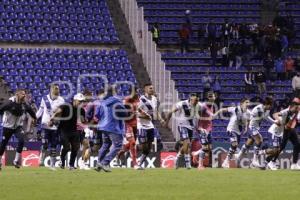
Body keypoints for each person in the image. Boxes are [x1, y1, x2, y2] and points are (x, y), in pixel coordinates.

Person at [236, 96, 278, 169]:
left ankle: (238, 155)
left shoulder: (266, 109)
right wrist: (275, 122)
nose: (271, 107)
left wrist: (274, 122)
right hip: (252, 126)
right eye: (271, 105)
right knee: (260, 140)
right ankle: (254, 160)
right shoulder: (259, 109)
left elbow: (267, 117)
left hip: (256, 127)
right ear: (267, 104)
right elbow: (264, 117)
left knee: (249, 143)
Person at [0, 89, 37, 170]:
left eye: (25, 94)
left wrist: (35, 118)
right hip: (7, 127)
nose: (24, 96)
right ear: (17, 94)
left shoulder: (24, 105)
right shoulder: (9, 103)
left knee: (21, 140)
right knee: (3, 144)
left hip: (17, 127)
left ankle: (16, 161)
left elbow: (31, 111)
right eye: (22, 94)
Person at [95, 86, 128, 172]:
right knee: (118, 145)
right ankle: (104, 163)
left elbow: (97, 114)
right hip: (113, 126)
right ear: (114, 92)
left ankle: (99, 163)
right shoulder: (116, 100)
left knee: (106, 144)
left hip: (102, 126)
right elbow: (124, 113)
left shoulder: (101, 102)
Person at [50, 93, 86, 170]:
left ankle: (71, 165)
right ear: (75, 100)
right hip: (63, 130)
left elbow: (83, 120)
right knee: (66, 147)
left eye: (82, 101)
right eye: (80, 101)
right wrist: (52, 119)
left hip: (74, 130)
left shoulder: (81, 109)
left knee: (75, 148)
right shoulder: (66, 106)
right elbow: (58, 112)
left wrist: (84, 120)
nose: (81, 103)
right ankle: (62, 161)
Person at [164, 93, 199, 169]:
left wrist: (197, 128)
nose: (196, 102)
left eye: (197, 100)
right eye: (195, 100)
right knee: (186, 142)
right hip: (182, 125)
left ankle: (177, 158)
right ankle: (188, 164)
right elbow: (171, 111)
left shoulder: (197, 106)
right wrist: (166, 123)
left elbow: (196, 118)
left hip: (190, 127)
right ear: (190, 99)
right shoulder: (182, 104)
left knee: (187, 145)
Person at [213, 98, 251, 168]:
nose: (248, 104)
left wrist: (246, 127)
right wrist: (215, 114)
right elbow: (222, 109)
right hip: (231, 129)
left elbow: (247, 120)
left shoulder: (248, 112)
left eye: (248, 103)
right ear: (242, 103)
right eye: (246, 102)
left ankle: (227, 160)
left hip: (239, 131)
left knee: (234, 147)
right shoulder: (235, 109)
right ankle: (226, 162)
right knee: (234, 144)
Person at [36, 84, 65, 169]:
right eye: (55, 89)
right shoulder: (44, 98)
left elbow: (61, 114)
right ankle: (41, 157)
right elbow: (40, 110)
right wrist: (35, 117)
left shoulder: (61, 100)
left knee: (54, 145)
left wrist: (54, 121)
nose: (57, 90)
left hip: (55, 126)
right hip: (45, 125)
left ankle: (52, 164)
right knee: (45, 143)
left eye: (58, 89)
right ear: (51, 90)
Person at [136, 84, 164, 169]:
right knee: (143, 146)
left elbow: (155, 111)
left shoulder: (154, 99)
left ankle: (139, 163)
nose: (152, 89)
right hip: (141, 125)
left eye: (153, 88)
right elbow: (134, 112)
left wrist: (161, 119)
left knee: (148, 147)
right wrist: (143, 116)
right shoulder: (141, 99)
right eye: (150, 88)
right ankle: (132, 155)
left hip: (150, 125)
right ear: (145, 89)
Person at [270, 98, 300, 170]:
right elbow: (275, 114)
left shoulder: (296, 111)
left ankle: (294, 164)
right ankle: (271, 161)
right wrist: (279, 120)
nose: (297, 107)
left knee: (297, 144)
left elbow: (297, 120)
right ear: (293, 105)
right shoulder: (287, 111)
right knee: (282, 147)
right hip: (284, 130)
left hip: (290, 129)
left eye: (298, 105)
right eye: (296, 105)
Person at [116, 87, 140, 169]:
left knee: (131, 144)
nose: (136, 93)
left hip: (136, 125)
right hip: (127, 124)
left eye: (136, 92)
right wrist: (131, 113)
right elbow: (122, 113)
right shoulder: (126, 100)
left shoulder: (138, 99)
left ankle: (120, 153)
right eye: (134, 92)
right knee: (133, 143)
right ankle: (135, 164)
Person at [194, 92, 216, 170]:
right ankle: (200, 165)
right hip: (202, 129)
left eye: (214, 96)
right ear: (209, 98)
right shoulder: (203, 106)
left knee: (209, 148)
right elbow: (197, 117)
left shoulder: (212, 106)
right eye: (212, 96)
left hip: (209, 129)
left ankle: (196, 153)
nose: (214, 97)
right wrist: (199, 128)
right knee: (205, 147)